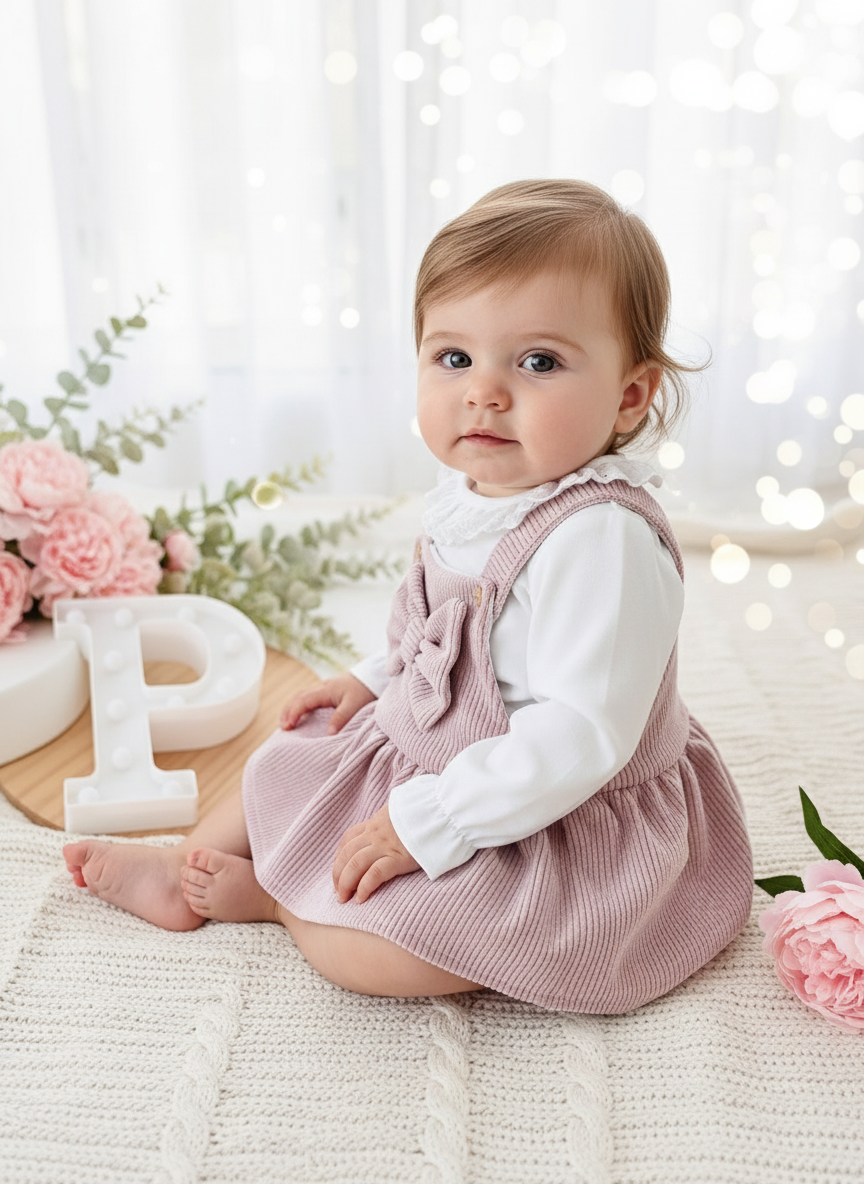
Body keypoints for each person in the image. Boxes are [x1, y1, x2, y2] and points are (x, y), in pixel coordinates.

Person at [63, 179, 753, 1012]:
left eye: (539, 362)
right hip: (445, 744)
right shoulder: (474, 490)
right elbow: (443, 628)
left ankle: (280, 903)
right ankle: (185, 866)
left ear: (629, 394)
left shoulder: (600, 539)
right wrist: (371, 677)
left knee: (392, 952)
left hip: (552, 804)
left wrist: (432, 823)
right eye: (454, 357)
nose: (485, 392)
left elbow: (580, 733)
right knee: (286, 762)